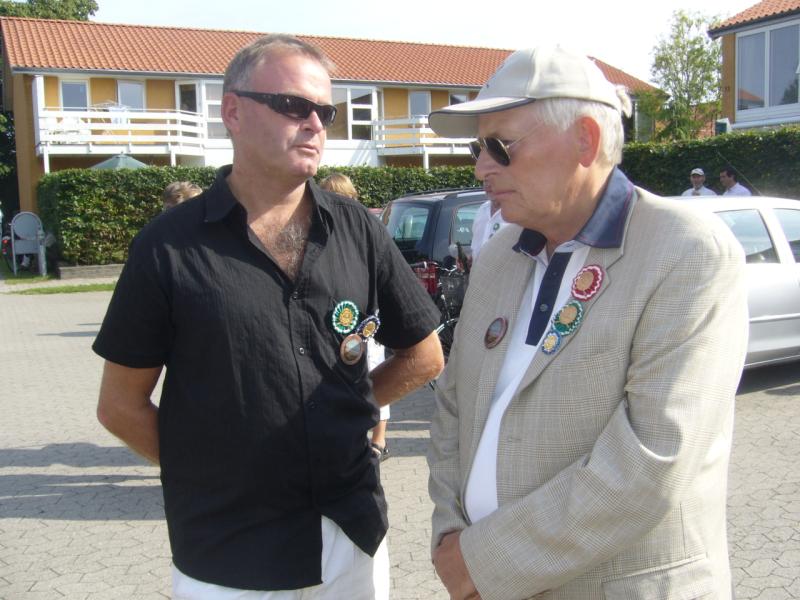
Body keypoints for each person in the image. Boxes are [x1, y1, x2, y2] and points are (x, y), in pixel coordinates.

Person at [94, 34, 443, 599]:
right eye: (292, 105)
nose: (314, 123)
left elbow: (424, 355)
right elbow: (119, 406)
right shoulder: (167, 246)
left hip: (349, 534)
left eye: (325, 111)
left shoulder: (358, 228)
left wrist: (342, 417)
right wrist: (213, 472)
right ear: (233, 111)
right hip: (230, 551)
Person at [426, 45, 748, 599]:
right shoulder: (501, 255)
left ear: (586, 140)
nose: (481, 168)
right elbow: (453, 407)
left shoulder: (686, 251)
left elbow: (651, 460)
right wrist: (449, 534)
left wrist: (481, 561)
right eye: (478, 148)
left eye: (500, 146)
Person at [320, 172, 391, 461]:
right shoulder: (321, 228)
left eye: (337, 196)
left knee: (372, 371)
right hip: (338, 316)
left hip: (366, 317)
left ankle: (379, 439)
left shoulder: (367, 228)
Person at [469, 198, 507, 262]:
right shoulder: (483, 208)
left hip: (502, 267)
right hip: (477, 267)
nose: (488, 187)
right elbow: (476, 243)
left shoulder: (516, 211)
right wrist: (470, 259)